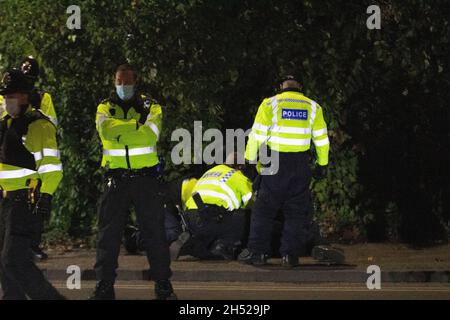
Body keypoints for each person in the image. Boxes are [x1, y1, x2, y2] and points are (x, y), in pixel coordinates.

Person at [90, 63, 176, 300]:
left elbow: (151, 134)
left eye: (127, 82)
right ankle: (104, 288)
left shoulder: (151, 105)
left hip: (145, 179)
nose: (123, 86)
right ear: (113, 82)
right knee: (108, 236)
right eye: (119, 81)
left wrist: (122, 132)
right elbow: (105, 131)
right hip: (115, 179)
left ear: (135, 82)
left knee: (154, 234)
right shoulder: (104, 106)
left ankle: (163, 286)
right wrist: (136, 128)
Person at [239, 74, 331, 267]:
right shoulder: (313, 107)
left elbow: (257, 135)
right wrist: (322, 164)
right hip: (300, 164)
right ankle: (290, 256)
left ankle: (258, 253)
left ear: (281, 86)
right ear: (300, 86)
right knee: (296, 213)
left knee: (264, 210)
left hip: (275, 163)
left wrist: (249, 159)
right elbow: (322, 140)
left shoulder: (270, 104)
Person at [0, 69, 64, 299]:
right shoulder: (6, 124)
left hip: (25, 201)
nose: (7, 101)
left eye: (12, 96)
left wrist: (45, 195)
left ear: (25, 96)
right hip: (5, 201)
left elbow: (52, 167)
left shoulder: (39, 126)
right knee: (4, 261)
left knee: (14, 260)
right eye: (5, 96)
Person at [171, 153, 253, 260]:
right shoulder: (238, 176)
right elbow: (252, 203)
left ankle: (189, 244)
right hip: (212, 215)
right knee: (241, 215)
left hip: (190, 217)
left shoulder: (210, 172)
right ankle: (222, 246)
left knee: (205, 236)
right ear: (241, 167)